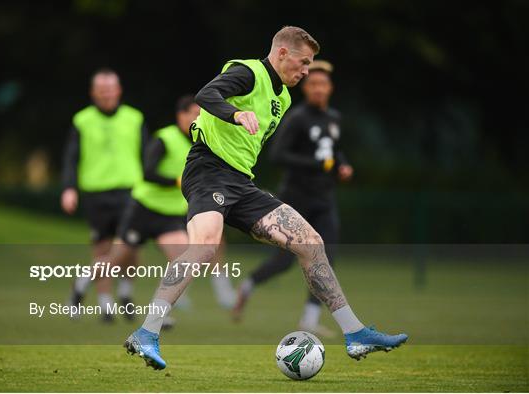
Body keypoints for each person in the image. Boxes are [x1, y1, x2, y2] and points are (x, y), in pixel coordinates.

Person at [124, 26, 407, 371]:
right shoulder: (247, 72)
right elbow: (206, 96)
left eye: (311, 65)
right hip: (208, 170)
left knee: (310, 242)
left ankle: (355, 332)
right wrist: (236, 113)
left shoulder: (283, 98)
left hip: (241, 183)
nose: (306, 71)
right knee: (204, 247)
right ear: (282, 53)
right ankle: (147, 332)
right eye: (304, 63)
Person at [232, 60, 353, 338]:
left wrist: (342, 165)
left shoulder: (334, 118)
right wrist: (317, 164)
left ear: (330, 88)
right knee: (284, 261)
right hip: (296, 198)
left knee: (327, 255)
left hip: (324, 198)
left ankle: (309, 319)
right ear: (306, 88)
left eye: (323, 84)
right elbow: (278, 155)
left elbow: (334, 151)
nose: (319, 90)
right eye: (313, 84)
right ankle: (249, 284)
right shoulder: (297, 118)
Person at [93, 95, 236, 324]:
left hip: (170, 215)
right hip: (144, 209)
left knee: (181, 259)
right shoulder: (164, 138)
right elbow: (147, 172)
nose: (199, 119)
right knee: (115, 259)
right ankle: (82, 282)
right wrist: (176, 182)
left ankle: (159, 313)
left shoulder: (204, 141)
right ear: (181, 115)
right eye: (195, 115)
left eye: (202, 116)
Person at [62, 68, 148, 317]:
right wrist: (69, 188)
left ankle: (125, 292)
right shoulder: (82, 120)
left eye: (110, 89)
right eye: (102, 90)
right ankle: (104, 300)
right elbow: (71, 158)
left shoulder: (135, 118)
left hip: (130, 192)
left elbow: (147, 156)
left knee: (130, 247)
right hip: (96, 194)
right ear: (93, 93)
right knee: (102, 250)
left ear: (118, 90)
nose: (107, 94)